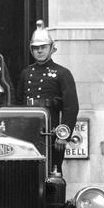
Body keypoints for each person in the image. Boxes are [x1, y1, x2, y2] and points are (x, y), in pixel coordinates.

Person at [17, 20, 78, 172]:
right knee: (26, 172)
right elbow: (18, 103)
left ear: (51, 48)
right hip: (28, 132)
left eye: (43, 47)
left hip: (52, 133)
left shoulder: (62, 73)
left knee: (53, 173)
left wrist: (64, 135)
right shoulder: (26, 73)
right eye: (36, 48)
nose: (39, 51)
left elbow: (71, 107)